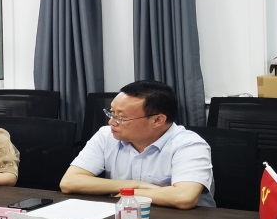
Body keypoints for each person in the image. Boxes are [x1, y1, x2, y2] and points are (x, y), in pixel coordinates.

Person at [60, 80, 214, 209]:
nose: (111, 122)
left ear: (157, 120)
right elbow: (69, 182)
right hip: (125, 217)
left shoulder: (189, 145)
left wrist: (131, 193)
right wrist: (135, 185)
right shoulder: (106, 135)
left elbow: (184, 197)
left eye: (121, 118)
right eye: (111, 113)